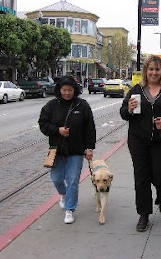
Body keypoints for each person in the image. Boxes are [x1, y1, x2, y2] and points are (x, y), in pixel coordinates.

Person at [120, 56, 161, 232]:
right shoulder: (136, 90)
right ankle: (144, 214)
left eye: (157, 69)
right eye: (151, 69)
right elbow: (123, 113)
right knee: (141, 177)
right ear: (145, 71)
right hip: (138, 141)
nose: (154, 73)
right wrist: (129, 109)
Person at [39, 76, 96, 224]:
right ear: (59, 90)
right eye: (64, 90)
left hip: (76, 150)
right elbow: (43, 124)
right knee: (57, 179)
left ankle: (70, 209)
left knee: (72, 181)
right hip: (56, 150)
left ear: (75, 90)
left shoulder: (82, 105)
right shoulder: (51, 105)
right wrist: (57, 130)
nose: (67, 93)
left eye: (70, 90)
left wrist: (89, 148)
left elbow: (90, 128)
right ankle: (63, 195)